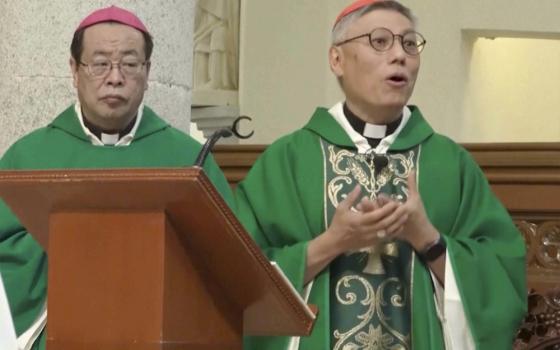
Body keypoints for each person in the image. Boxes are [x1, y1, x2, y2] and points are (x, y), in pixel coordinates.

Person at [236, 0, 526, 349]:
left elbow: (502, 283)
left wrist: (428, 240)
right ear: (337, 59)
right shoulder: (287, 161)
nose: (399, 55)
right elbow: (236, 276)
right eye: (379, 41)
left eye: (408, 43)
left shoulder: (450, 163)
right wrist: (333, 243)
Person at [0, 6, 233, 349]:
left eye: (129, 63)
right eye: (99, 63)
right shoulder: (29, 157)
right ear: (74, 70)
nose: (115, 77)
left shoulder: (187, 161)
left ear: (147, 71)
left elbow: (225, 258)